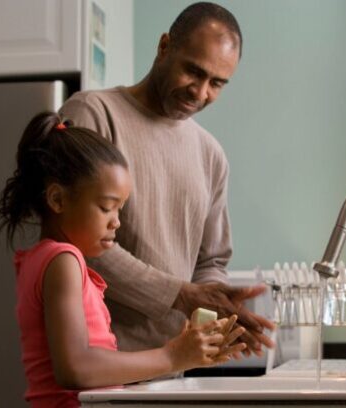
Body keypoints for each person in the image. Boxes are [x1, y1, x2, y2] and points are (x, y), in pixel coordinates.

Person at [59, 2, 275, 356]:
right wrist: (181, 294)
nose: (200, 92)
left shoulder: (211, 154)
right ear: (164, 47)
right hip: (98, 363)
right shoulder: (93, 114)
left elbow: (211, 262)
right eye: (193, 71)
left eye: (217, 83)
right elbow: (75, 239)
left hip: (174, 367)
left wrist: (216, 309)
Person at [0, 112, 246, 408]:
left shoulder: (43, 259)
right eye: (106, 207)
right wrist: (171, 356)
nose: (117, 222)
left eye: (120, 210)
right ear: (57, 200)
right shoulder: (63, 261)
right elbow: (75, 368)